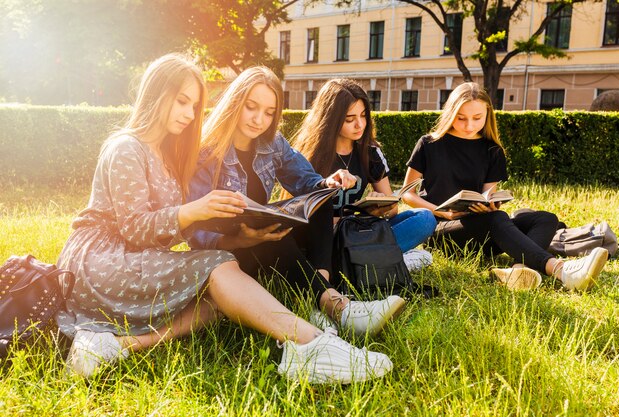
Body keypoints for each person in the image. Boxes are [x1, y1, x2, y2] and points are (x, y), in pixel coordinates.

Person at [55, 53, 392, 384]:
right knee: (220, 266)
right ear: (155, 95)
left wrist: (227, 227)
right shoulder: (127, 147)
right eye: (181, 102)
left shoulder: (169, 152)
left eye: (194, 106)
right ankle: (312, 344)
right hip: (101, 262)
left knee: (226, 296)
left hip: (140, 257)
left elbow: (164, 233)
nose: (189, 115)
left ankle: (116, 346)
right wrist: (199, 213)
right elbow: (136, 229)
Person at [188, 67, 406, 336]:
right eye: (251, 107)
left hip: (266, 238)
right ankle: (338, 307)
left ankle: (318, 299)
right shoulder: (206, 151)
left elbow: (307, 181)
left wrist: (329, 182)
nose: (259, 120)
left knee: (321, 199)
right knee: (269, 236)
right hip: (229, 252)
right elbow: (193, 227)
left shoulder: (272, 143)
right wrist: (235, 240)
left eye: (269, 113)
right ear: (235, 103)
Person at [402, 82, 609, 291]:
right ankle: (561, 270)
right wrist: (440, 212)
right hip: (441, 232)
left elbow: (487, 195)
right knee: (496, 219)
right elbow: (407, 194)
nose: (469, 126)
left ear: (487, 115)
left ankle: (518, 271)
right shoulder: (428, 144)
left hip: (482, 231)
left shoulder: (492, 150)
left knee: (546, 218)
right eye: (461, 118)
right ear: (450, 113)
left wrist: (490, 204)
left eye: (477, 118)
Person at [290, 78, 437, 272]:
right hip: (325, 238)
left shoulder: (371, 153)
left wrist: (378, 206)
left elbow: (392, 210)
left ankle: (367, 262)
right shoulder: (309, 155)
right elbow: (296, 213)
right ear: (330, 119)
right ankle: (384, 261)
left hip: (360, 231)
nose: (359, 124)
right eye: (349, 119)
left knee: (425, 219)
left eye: (363, 115)